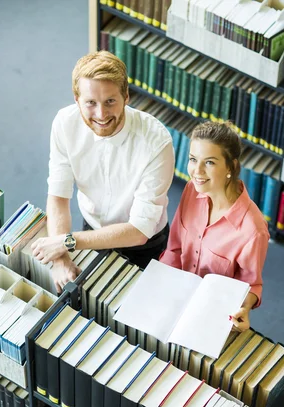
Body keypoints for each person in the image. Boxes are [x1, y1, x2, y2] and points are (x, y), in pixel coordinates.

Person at [31, 51, 175, 293]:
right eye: (91, 103)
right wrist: (61, 258)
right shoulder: (64, 124)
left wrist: (66, 242)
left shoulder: (156, 141)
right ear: (77, 99)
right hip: (91, 230)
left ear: (126, 96)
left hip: (145, 244)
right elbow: (58, 195)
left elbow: (139, 230)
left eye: (110, 101)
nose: (101, 115)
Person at [160, 121, 270, 332]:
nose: (197, 171)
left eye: (209, 162)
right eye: (193, 159)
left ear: (231, 166)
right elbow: (174, 248)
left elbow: (251, 284)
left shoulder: (253, 230)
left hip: (211, 315)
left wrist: (243, 308)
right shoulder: (192, 190)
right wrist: (160, 284)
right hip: (174, 295)